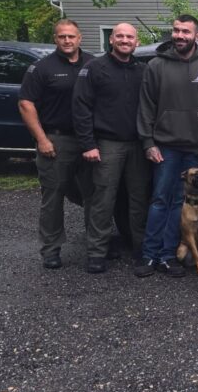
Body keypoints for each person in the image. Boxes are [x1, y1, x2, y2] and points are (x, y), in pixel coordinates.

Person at [134, 14, 198, 278]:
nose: (179, 35)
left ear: (197, 36)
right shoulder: (156, 66)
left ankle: (168, 256)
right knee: (159, 201)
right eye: (176, 30)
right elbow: (146, 106)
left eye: (185, 31)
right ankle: (150, 255)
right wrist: (148, 142)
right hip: (164, 146)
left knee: (181, 204)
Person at [72, 22, 150, 274]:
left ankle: (141, 249)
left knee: (139, 199)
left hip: (138, 144)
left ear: (136, 42)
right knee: (102, 200)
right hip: (107, 144)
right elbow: (81, 108)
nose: (125, 40)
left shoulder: (143, 70)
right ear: (111, 40)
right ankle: (97, 251)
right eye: (120, 36)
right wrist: (88, 144)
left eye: (130, 37)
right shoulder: (94, 68)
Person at [18, 19, 95, 269]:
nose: (67, 40)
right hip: (56, 139)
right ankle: (51, 249)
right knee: (53, 196)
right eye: (62, 36)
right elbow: (26, 104)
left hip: (90, 140)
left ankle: (97, 246)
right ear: (55, 39)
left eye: (71, 36)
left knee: (94, 195)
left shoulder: (94, 63)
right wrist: (42, 139)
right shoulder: (42, 68)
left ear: (80, 38)